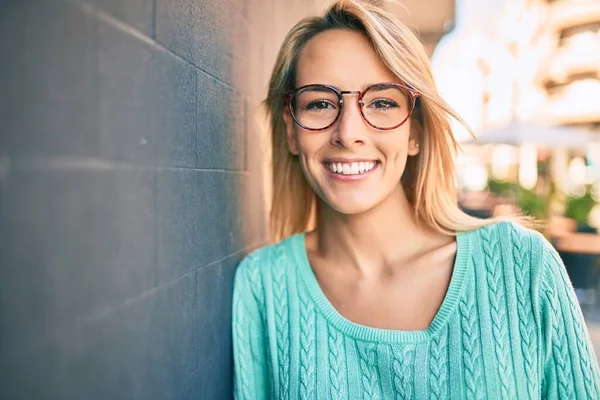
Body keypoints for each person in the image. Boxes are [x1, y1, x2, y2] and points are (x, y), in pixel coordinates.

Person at [232, 0, 600, 398]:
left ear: (416, 131)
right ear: (291, 130)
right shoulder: (264, 285)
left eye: (382, 102)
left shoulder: (521, 267)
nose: (348, 132)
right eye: (320, 102)